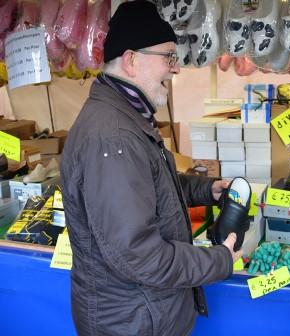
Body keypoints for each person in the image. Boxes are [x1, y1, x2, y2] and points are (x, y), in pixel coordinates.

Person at [60, 1, 242, 335]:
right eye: (169, 57)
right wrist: (218, 261)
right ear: (131, 60)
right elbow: (138, 255)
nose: (176, 69)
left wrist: (205, 189)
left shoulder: (125, 119)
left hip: (144, 313)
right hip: (135, 322)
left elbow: (147, 187)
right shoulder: (112, 136)